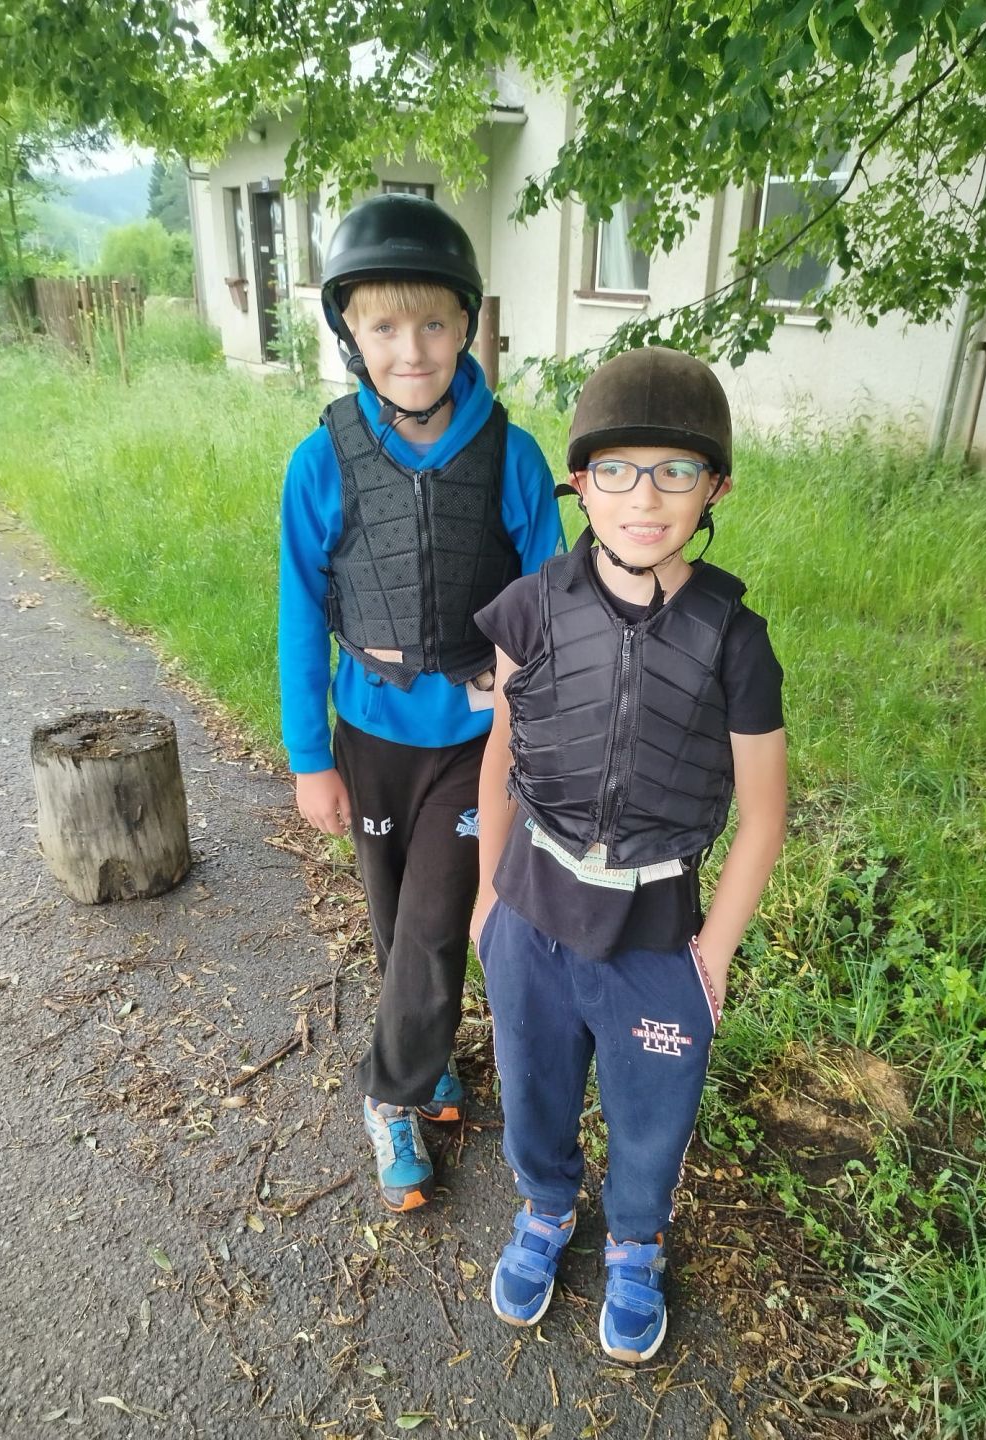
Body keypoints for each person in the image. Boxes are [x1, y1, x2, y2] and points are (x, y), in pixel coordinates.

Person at [471, 346, 787, 1362]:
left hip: (656, 928)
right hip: (532, 905)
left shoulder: (734, 639)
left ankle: (636, 1240)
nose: (643, 498)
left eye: (674, 472)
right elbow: (502, 755)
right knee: (532, 1082)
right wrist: (486, 900)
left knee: (654, 1109)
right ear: (581, 481)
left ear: (715, 488)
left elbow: (765, 813)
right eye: (615, 470)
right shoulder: (532, 606)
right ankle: (546, 1209)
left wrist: (715, 954)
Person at [278, 193, 563, 1214]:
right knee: (396, 920)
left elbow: (552, 605)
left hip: (477, 739)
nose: (412, 349)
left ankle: (390, 1094)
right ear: (351, 335)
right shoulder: (322, 461)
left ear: (467, 325)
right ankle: (427, 1054)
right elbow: (300, 612)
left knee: (439, 922)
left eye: (434, 323)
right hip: (368, 736)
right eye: (385, 326)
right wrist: (310, 757)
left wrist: (545, 738)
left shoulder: (514, 457)